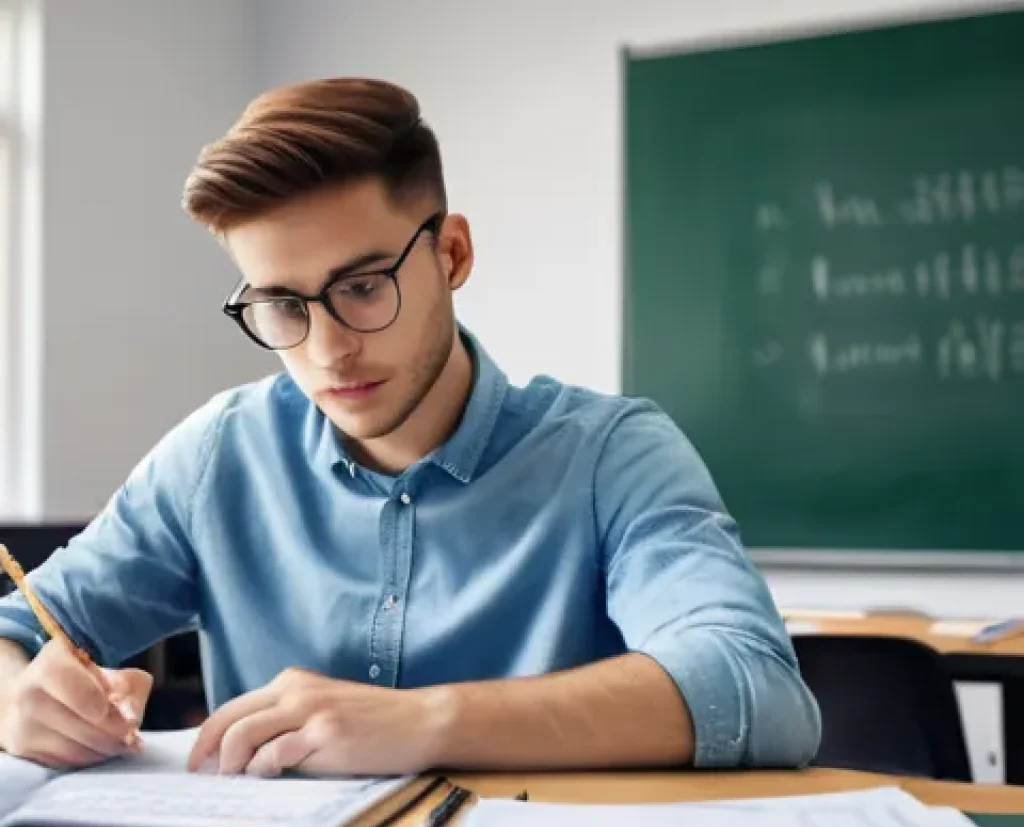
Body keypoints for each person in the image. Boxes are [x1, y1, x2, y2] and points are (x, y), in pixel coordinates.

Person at [0, 78, 820, 777]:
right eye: (283, 305)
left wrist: (424, 723)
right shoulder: (221, 454)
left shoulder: (612, 454)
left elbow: (754, 689)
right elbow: (15, 627)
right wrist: (21, 701)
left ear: (452, 255)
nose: (327, 349)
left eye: (362, 286)